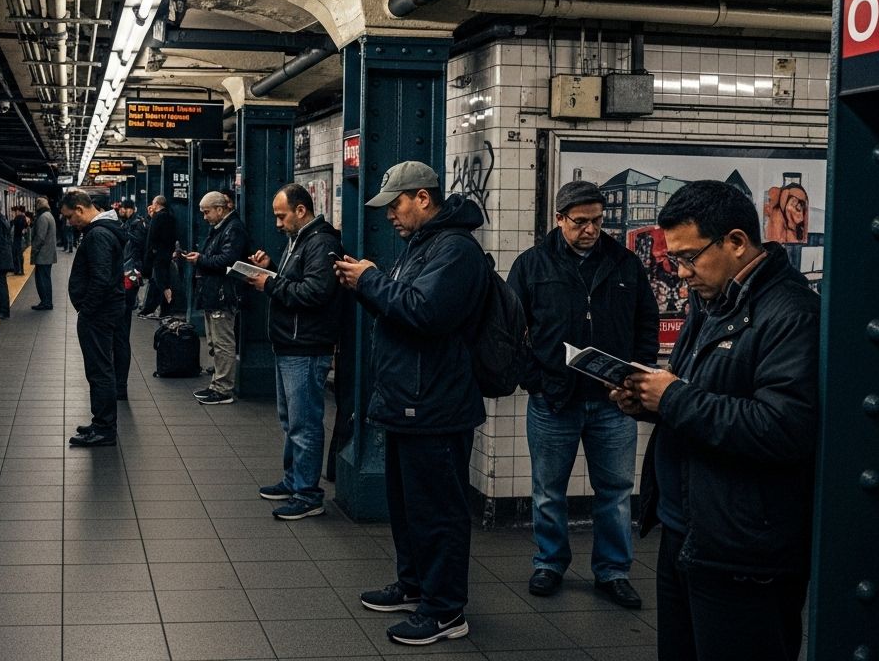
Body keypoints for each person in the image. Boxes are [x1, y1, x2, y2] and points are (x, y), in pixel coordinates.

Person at [611, 180, 819, 661]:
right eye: (675, 260)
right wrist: (648, 402)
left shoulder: (791, 314)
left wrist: (673, 398)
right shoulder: (712, 304)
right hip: (688, 530)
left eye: (689, 258)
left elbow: (783, 427)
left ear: (737, 242)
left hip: (743, 548)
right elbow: (700, 395)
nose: (682, 273)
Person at [335, 161, 487, 646]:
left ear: (423, 197)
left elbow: (426, 313)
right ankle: (415, 585)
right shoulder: (422, 246)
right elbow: (400, 306)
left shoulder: (456, 250)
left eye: (395, 205)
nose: (389, 216)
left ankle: (445, 610)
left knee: (438, 512)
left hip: (437, 405)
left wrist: (370, 280)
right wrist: (364, 285)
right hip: (409, 400)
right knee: (408, 508)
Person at [506, 180, 657, 608]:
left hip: (613, 401)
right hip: (553, 400)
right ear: (559, 219)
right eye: (580, 222)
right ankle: (549, 563)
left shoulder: (625, 263)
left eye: (597, 220)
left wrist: (636, 373)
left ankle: (613, 571)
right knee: (548, 490)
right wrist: (534, 379)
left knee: (616, 491)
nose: (590, 229)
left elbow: (646, 322)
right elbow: (510, 328)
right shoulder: (532, 264)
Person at [243, 183, 344, 521]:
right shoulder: (299, 240)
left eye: (281, 216)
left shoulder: (321, 243)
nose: (277, 223)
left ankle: (308, 494)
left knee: (305, 424)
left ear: (301, 211)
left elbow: (316, 291)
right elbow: (297, 281)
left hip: (306, 347)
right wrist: (272, 268)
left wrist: (270, 283)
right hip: (290, 343)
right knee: (290, 422)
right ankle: (293, 481)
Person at [63, 190, 124, 447]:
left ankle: (104, 428)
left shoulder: (98, 235)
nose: (69, 223)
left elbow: (101, 278)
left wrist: (86, 310)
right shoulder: (103, 230)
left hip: (98, 313)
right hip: (103, 311)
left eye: (69, 217)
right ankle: (100, 421)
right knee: (100, 369)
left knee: (99, 371)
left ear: (80, 209)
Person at [184, 190, 248, 404]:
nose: (204, 217)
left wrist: (200, 260)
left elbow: (227, 260)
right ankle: (217, 384)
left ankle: (223, 389)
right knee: (215, 342)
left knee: (223, 343)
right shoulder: (223, 228)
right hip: (214, 293)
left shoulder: (233, 229)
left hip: (223, 293)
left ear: (220, 209)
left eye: (207, 212)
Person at [115, 198, 148, 398]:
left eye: (123, 209)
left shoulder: (136, 224)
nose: (121, 212)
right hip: (130, 270)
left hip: (132, 270)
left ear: (130, 209)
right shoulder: (132, 223)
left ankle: (120, 386)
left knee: (122, 329)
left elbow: (138, 245)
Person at [138, 195, 177, 319]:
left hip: (157, 255)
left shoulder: (158, 217)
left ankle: (165, 305)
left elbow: (152, 237)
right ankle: (159, 309)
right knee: (160, 280)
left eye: (153, 203)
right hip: (166, 254)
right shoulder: (170, 216)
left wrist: (149, 255)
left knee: (160, 281)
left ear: (157, 204)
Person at [30, 196, 57, 310]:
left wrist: (34, 250)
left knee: (42, 279)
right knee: (46, 278)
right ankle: (47, 301)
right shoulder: (49, 215)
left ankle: (46, 302)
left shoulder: (43, 217)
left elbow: (40, 237)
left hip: (43, 255)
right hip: (48, 254)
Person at [10, 204, 28, 275]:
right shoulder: (23, 218)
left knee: (16, 254)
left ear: (18, 211)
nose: (14, 213)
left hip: (17, 239)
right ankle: (20, 270)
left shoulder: (19, 218)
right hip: (20, 239)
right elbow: (25, 228)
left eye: (15, 211)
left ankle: (17, 270)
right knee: (19, 255)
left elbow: (17, 229)